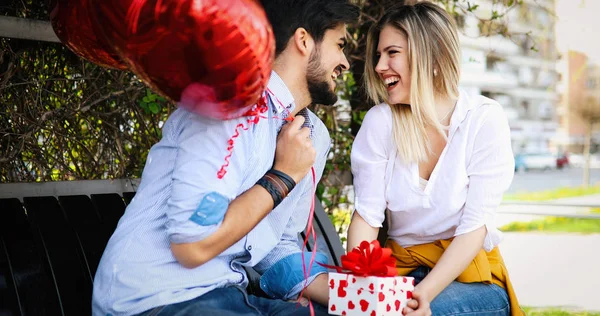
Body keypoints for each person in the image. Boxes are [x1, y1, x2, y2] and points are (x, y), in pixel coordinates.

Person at [92, 1, 359, 315]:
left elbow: (277, 244)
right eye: (339, 45)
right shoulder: (226, 107)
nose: (345, 62)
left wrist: (357, 297)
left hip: (231, 294)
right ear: (303, 40)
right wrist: (283, 176)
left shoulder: (312, 137)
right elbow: (191, 245)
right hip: (155, 299)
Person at [347, 2, 523, 316]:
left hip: (468, 277)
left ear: (431, 53)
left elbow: (474, 229)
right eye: (378, 56)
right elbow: (366, 217)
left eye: (392, 53)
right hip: (400, 270)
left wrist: (422, 296)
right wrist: (364, 285)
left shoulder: (483, 120)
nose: (378, 66)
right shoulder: (381, 122)